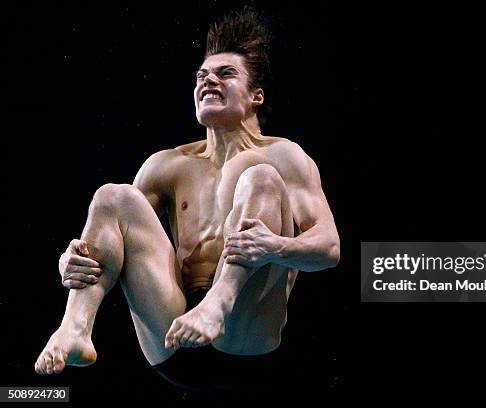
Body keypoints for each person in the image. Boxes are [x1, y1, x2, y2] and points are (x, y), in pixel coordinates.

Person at [34, 7, 340, 394]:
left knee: (256, 173)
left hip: (244, 337)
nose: (208, 79)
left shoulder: (285, 156)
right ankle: (75, 327)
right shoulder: (168, 165)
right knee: (113, 196)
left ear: (256, 96)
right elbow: (109, 235)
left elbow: (329, 248)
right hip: (174, 334)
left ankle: (220, 301)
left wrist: (277, 247)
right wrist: (71, 259)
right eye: (201, 75)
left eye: (225, 73)